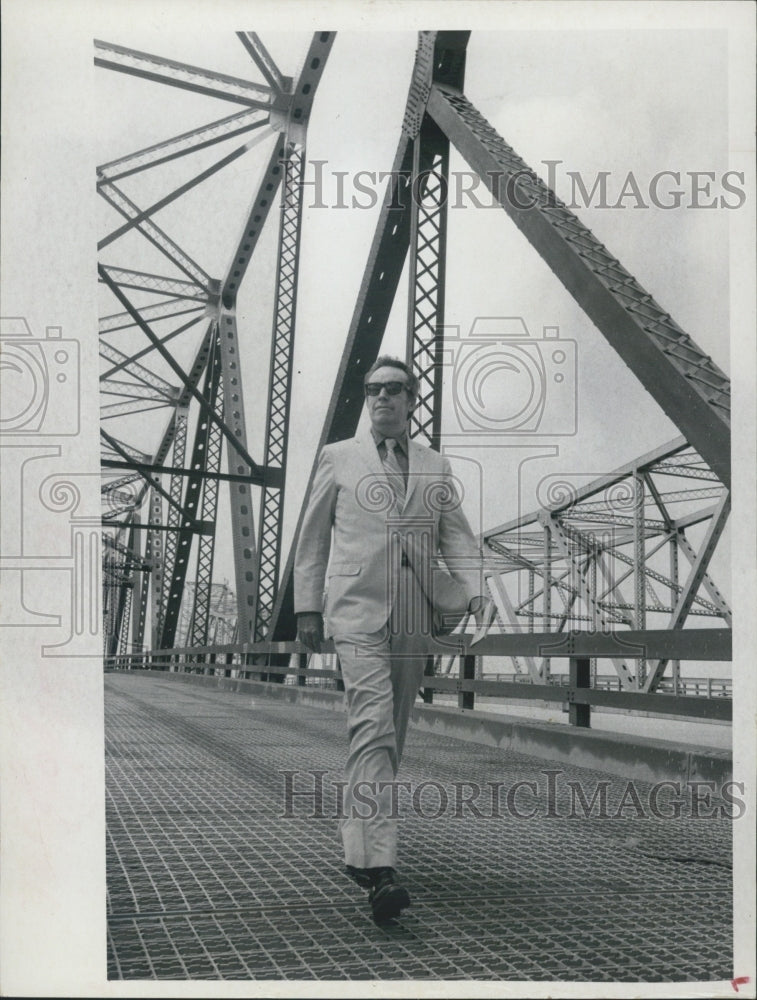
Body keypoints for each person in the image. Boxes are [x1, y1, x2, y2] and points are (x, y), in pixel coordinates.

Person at [294, 355, 489, 923]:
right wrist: (307, 606)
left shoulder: (435, 466)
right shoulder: (339, 457)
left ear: (411, 399)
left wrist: (476, 595)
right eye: (372, 389)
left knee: (388, 736)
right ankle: (380, 871)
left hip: (413, 615)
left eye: (393, 390)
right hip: (355, 611)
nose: (381, 398)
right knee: (373, 723)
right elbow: (311, 540)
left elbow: (458, 539)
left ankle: (360, 844)